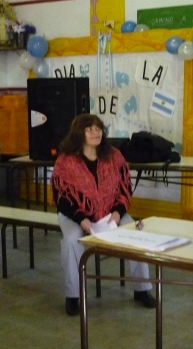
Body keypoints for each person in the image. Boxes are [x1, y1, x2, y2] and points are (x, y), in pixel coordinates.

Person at [51, 114, 156, 316]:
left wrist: (117, 213)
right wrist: (81, 219)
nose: (95, 132)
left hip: (110, 213)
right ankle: (73, 296)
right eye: (89, 129)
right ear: (79, 134)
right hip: (75, 215)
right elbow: (61, 197)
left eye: (98, 128)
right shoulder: (66, 160)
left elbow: (125, 188)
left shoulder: (114, 156)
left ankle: (142, 289)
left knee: (136, 233)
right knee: (72, 240)